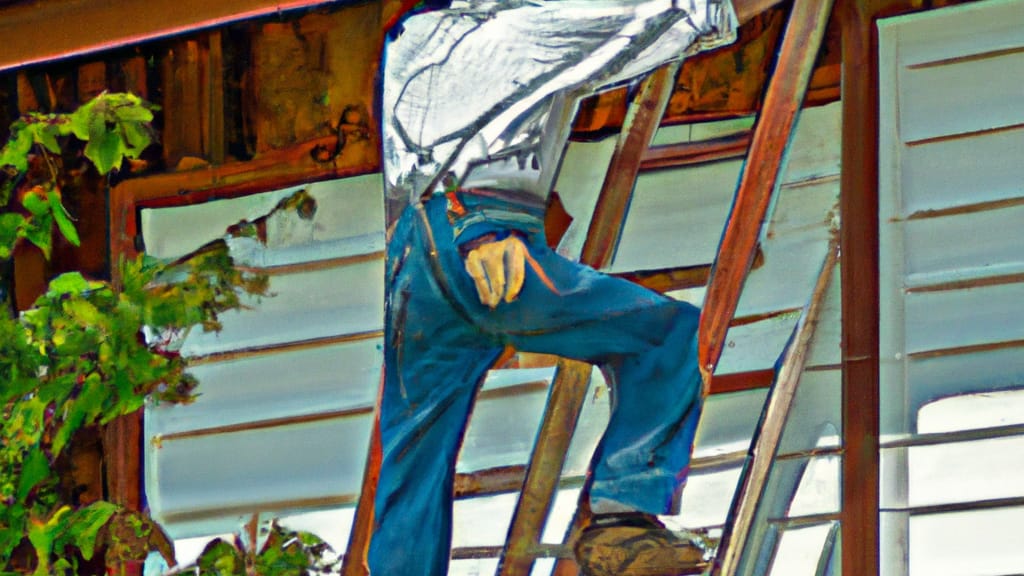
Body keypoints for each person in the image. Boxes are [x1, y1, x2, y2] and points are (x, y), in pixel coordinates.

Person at [370, 0, 771, 573]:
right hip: (488, 238)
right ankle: (624, 517)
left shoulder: (412, 39)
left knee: (413, 454)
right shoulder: (522, 28)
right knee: (667, 335)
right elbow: (658, 22)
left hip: (413, 256)